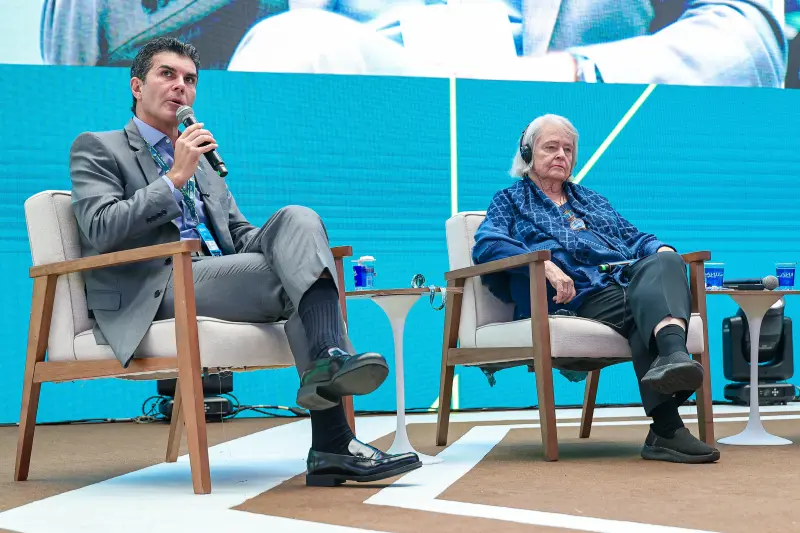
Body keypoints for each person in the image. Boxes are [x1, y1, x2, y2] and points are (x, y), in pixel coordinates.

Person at [68, 36, 421, 486]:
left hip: (217, 277)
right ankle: (333, 439)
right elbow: (100, 227)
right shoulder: (99, 147)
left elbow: (239, 235)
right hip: (155, 287)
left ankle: (328, 368)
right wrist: (174, 178)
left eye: (190, 79)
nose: (180, 86)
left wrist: (291, 246)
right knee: (298, 280)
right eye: (167, 74)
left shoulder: (201, 161)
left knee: (299, 220)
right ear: (137, 86)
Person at [472, 114, 721, 464]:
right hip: (577, 296)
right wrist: (544, 265)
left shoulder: (592, 200)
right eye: (551, 147)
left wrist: (664, 252)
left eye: (568, 149)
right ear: (527, 154)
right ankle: (668, 408)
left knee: (665, 261)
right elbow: (488, 243)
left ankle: (670, 376)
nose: (561, 155)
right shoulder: (510, 201)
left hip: (626, 283)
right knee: (646, 311)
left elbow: (636, 238)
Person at [40, 1, 786, 88]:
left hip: (559, 89)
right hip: (364, 84)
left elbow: (749, 31)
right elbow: (88, 42)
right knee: (293, 46)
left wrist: (577, 74)